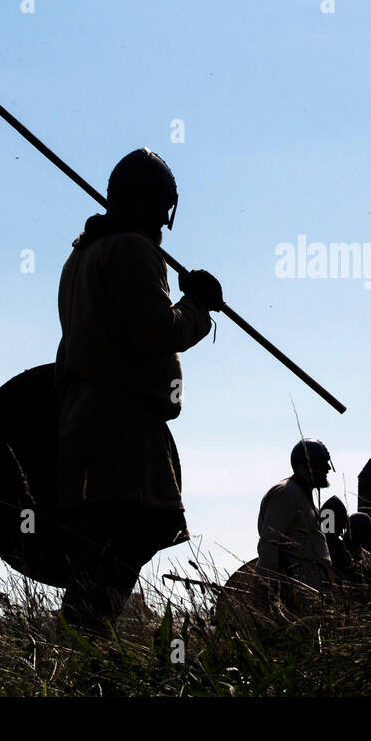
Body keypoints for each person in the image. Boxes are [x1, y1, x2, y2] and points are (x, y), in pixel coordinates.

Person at [53, 148, 224, 633]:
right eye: (161, 211)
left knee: (102, 556)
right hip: (120, 433)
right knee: (121, 543)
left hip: (85, 427)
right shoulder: (131, 249)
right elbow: (158, 332)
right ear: (153, 205)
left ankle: (80, 658)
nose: (165, 228)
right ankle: (82, 658)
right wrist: (197, 304)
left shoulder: (82, 254)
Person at [256, 439, 335, 609]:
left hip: (309, 590)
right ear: (306, 465)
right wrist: (270, 593)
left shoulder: (303, 496)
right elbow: (269, 543)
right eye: (323, 463)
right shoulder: (286, 493)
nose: (328, 468)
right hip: (294, 591)